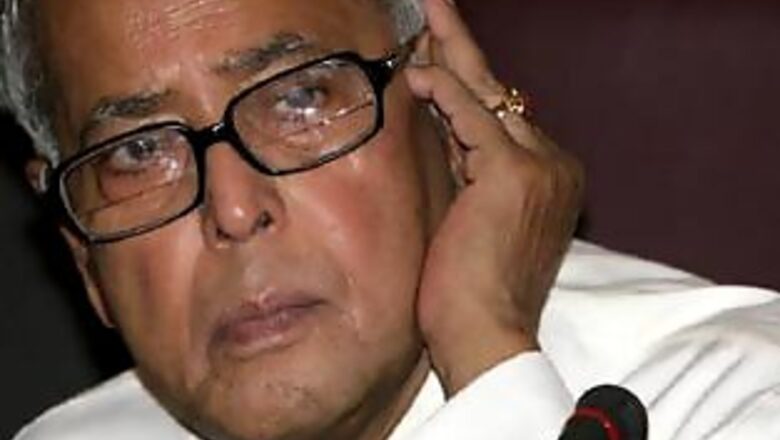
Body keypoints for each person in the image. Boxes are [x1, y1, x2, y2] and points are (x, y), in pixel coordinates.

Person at [3, 0, 780, 439]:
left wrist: (486, 356)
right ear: (81, 253)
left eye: (299, 98)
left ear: (444, 110)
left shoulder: (741, 398)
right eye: (139, 151)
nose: (234, 209)